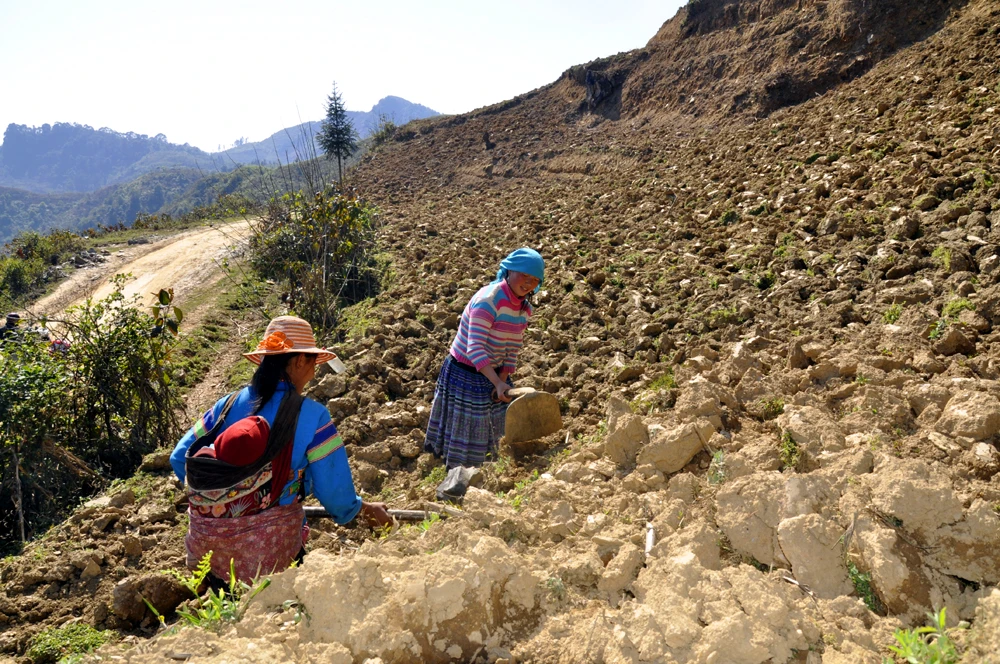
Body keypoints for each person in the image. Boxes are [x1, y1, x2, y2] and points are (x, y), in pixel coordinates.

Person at [170, 315, 390, 583]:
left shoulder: (227, 405)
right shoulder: (312, 416)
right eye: (313, 363)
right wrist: (365, 510)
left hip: (210, 557)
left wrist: (223, 499)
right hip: (270, 557)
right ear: (299, 361)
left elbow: (180, 458)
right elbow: (336, 497)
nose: (314, 371)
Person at [424, 248, 544, 468]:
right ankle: (460, 472)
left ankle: (492, 468)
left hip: (494, 370)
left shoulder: (524, 310)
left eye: (534, 279)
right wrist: (496, 382)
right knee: (469, 427)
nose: (528, 283)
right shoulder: (488, 300)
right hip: (465, 370)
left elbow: (512, 347)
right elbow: (475, 348)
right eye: (524, 275)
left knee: (498, 423)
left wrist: (504, 379)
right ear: (509, 271)